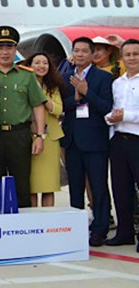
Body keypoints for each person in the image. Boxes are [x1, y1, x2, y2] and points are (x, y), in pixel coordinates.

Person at [0, 26, 46, 208]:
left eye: (9, 47)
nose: (5, 52)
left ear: (15, 49)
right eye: (0, 48)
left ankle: (22, 228)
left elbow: (37, 105)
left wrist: (40, 136)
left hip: (19, 135)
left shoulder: (27, 76)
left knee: (21, 182)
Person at [61, 37, 114, 247]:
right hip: (73, 141)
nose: (80, 54)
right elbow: (61, 106)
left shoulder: (103, 77)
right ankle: (75, 228)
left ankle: (100, 228)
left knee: (99, 186)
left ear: (92, 54)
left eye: (85, 51)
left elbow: (106, 107)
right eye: (77, 51)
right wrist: (74, 98)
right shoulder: (65, 77)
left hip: (96, 141)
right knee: (75, 187)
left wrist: (86, 92)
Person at [105, 39, 139, 248]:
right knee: (120, 188)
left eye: (136, 54)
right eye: (128, 54)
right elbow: (114, 109)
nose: (132, 58)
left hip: (137, 139)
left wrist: (124, 115)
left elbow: (125, 113)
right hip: (119, 140)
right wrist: (110, 117)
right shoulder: (117, 83)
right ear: (122, 58)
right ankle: (124, 231)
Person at [21, 52, 66, 207]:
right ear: (29, 66)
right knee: (32, 186)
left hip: (50, 139)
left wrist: (41, 96)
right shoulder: (23, 84)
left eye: (45, 63)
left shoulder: (52, 87)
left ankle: (49, 220)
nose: (41, 66)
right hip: (29, 136)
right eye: (37, 63)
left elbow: (59, 109)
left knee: (49, 185)